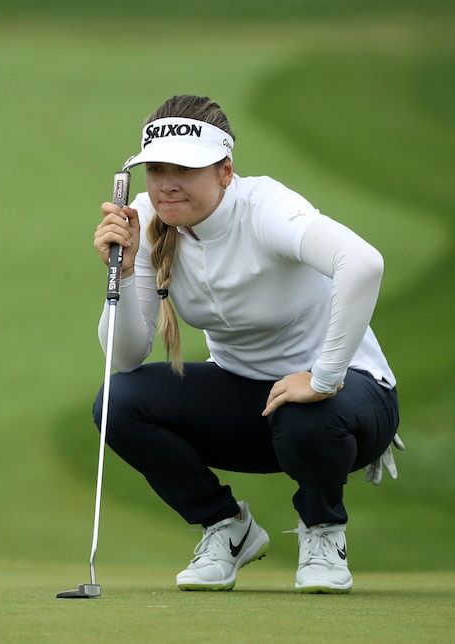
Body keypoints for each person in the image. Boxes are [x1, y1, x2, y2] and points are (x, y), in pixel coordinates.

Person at [91, 94, 402, 594]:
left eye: (185, 170)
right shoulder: (145, 220)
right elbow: (124, 357)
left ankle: (324, 532)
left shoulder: (266, 208)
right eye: (157, 169)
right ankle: (226, 527)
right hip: (249, 405)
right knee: (118, 402)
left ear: (225, 172)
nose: (167, 183)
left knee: (308, 412)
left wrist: (323, 378)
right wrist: (125, 273)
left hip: (349, 401)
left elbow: (363, 263)